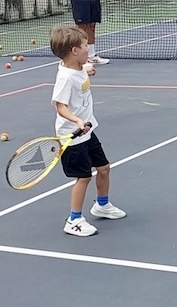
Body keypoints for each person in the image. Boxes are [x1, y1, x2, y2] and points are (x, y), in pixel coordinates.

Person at [50, 25, 125, 237]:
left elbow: (79, 69)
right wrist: (77, 121)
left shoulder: (75, 67)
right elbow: (60, 106)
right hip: (72, 137)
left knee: (104, 167)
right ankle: (74, 219)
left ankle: (102, 205)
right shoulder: (65, 78)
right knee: (83, 178)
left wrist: (86, 69)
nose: (88, 50)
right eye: (84, 46)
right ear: (74, 51)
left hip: (88, 131)